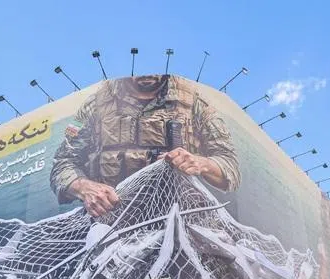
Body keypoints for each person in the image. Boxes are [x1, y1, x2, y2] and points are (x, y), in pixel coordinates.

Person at [50, 75, 240, 219]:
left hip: (182, 216)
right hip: (112, 221)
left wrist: (201, 163)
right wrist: (84, 188)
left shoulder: (196, 104)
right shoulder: (95, 105)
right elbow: (63, 164)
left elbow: (229, 165)